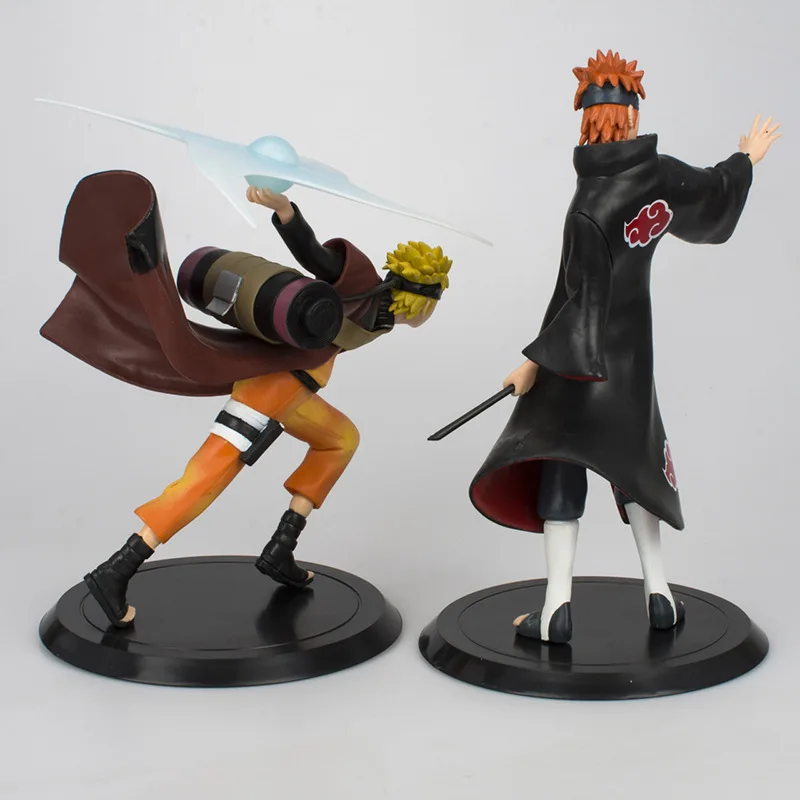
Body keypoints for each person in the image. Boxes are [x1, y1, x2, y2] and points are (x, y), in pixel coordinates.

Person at [41, 170, 452, 627]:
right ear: (422, 298)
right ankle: (119, 567)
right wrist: (285, 211)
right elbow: (314, 254)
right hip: (271, 385)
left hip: (297, 390)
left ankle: (281, 548)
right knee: (210, 472)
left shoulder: (383, 315)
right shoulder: (362, 281)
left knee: (340, 440)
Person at [469, 50, 781, 643]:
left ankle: (557, 609)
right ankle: (659, 594)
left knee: (563, 460)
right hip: (632, 360)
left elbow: (582, 302)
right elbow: (709, 192)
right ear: (631, 117)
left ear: (587, 122)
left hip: (580, 364)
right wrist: (745, 159)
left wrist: (531, 362)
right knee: (632, 465)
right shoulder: (657, 175)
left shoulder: (589, 206)